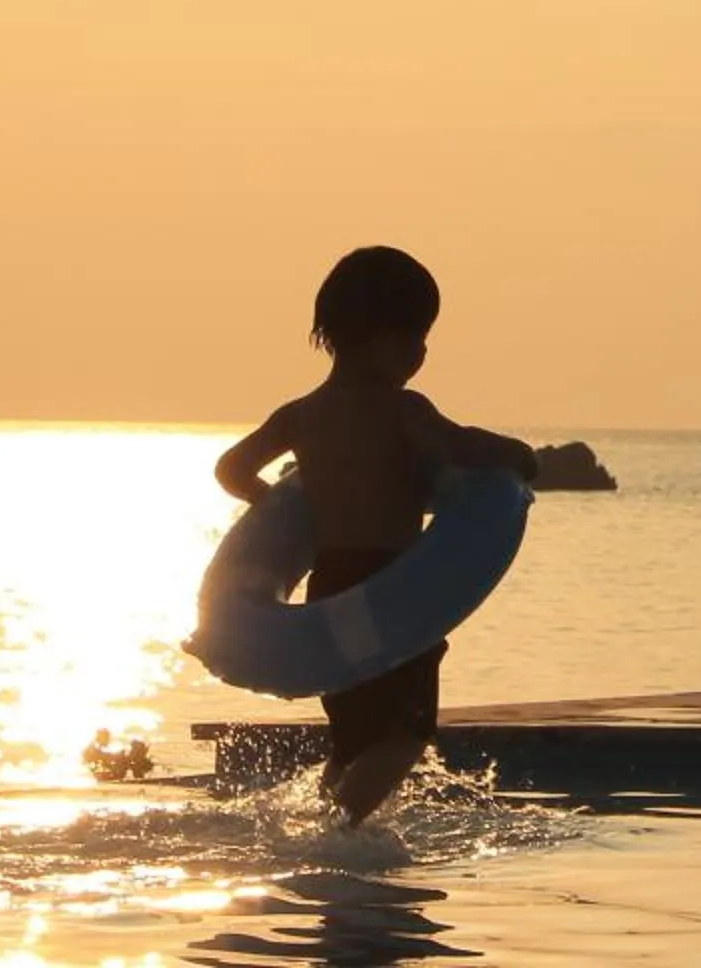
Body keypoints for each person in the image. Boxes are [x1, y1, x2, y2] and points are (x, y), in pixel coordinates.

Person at [215, 246, 538, 824]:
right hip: (391, 593)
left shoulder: (299, 414)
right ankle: (339, 831)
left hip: (330, 589)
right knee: (406, 736)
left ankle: (326, 818)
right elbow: (458, 447)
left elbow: (231, 469)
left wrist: (281, 509)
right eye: (419, 339)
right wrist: (516, 455)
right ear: (390, 340)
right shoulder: (403, 410)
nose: (421, 354)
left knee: (353, 739)